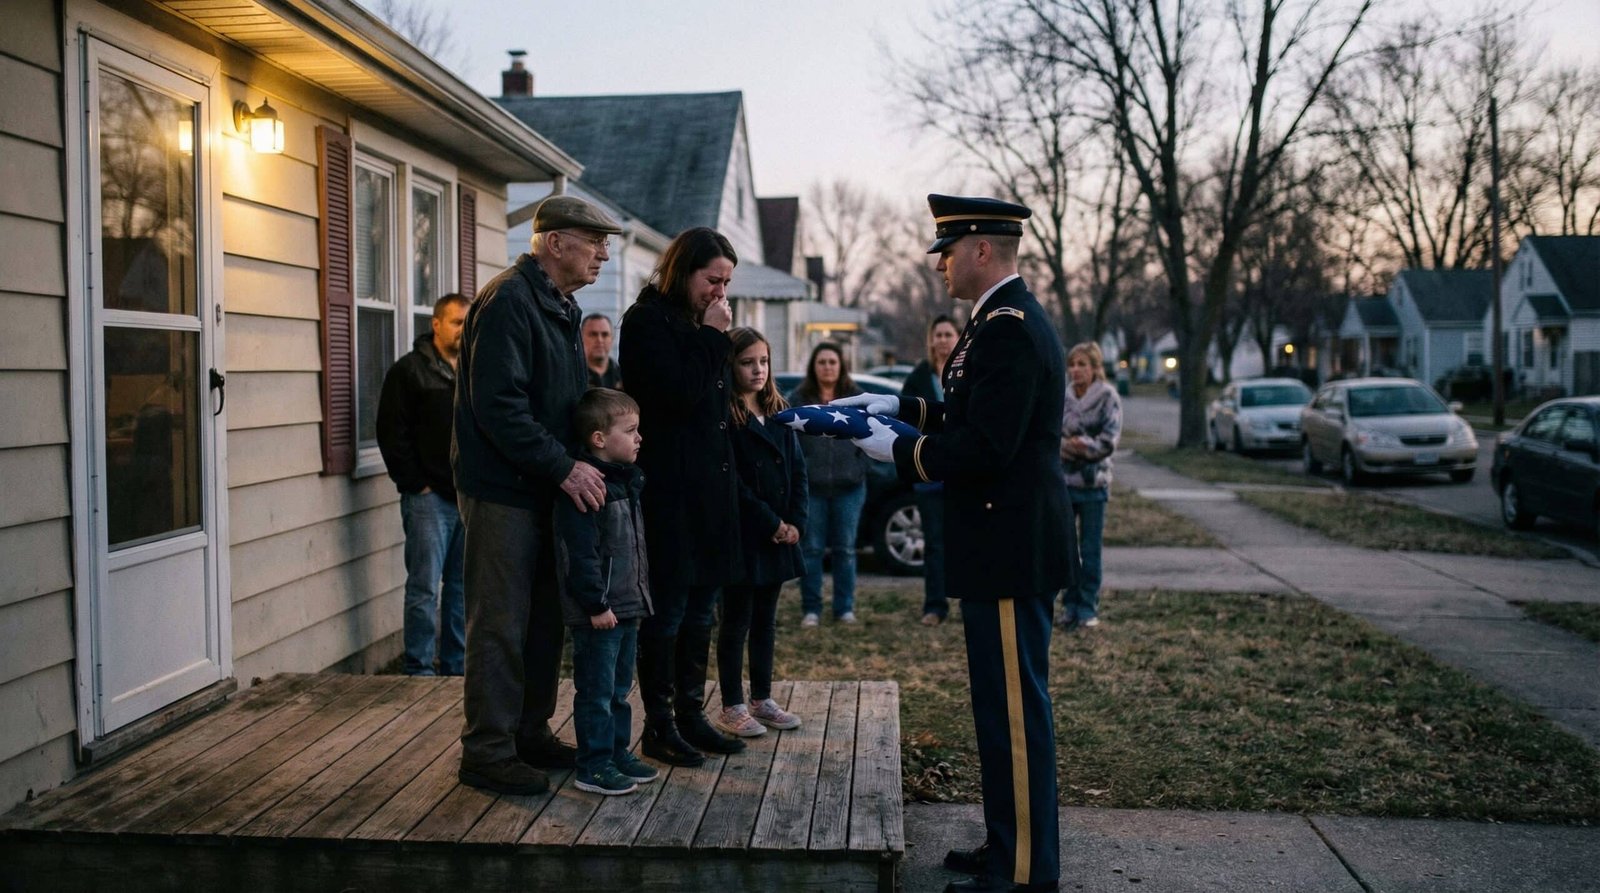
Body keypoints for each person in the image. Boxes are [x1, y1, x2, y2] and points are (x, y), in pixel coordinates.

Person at [836, 194, 1072, 893]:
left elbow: (987, 446)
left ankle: (1024, 870)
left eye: (946, 250)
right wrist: (900, 409)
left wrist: (902, 455)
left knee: (1016, 716)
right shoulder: (993, 324)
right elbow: (968, 411)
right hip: (1001, 544)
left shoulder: (1008, 327)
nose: (939, 264)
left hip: (1009, 547)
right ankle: (1008, 845)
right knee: (998, 711)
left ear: (980, 250)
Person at [451, 195, 620, 796]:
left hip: (544, 487)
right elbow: (499, 408)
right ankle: (488, 752)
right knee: (499, 623)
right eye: (593, 240)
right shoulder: (509, 301)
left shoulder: (561, 306)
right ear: (553, 242)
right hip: (504, 492)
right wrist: (565, 468)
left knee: (544, 619)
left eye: (605, 242)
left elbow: (563, 404)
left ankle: (529, 732)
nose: (603, 252)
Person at [619, 226, 747, 767]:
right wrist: (716, 340)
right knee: (667, 615)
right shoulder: (645, 321)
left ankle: (693, 715)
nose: (719, 293)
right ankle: (660, 725)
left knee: (702, 614)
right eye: (711, 280)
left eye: (726, 284)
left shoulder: (700, 324)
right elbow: (675, 397)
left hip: (711, 496)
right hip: (669, 494)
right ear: (683, 270)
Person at [553, 388, 660, 796]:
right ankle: (593, 765)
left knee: (618, 689)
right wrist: (596, 604)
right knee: (596, 692)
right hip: (600, 613)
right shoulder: (587, 489)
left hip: (626, 607)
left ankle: (617, 753)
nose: (639, 438)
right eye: (630, 431)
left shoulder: (626, 483)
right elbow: (580, 556)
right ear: (599, 438)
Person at [714, 327, 807, 738]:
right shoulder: (727, 416)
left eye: (763, 362)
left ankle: (762, 698)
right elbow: (732, 483)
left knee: (766, 621)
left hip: (781, 536)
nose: (757, 370)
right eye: (747, 362)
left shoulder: (780, 412)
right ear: (731, 365)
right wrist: (770, 523)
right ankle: (732, 704)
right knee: (736, 620)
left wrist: (795, 523)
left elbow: (798, 472)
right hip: (746, 535)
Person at [376, 293, 470, 676]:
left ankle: (455, 666)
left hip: (467, 496)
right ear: (436, 324)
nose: (464, 330)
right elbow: (390, 432)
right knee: (424, 588)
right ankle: (418, 668)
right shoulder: (409, 371)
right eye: (457, 322)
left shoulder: (474, 369)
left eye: (468, 322)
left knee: (461, 590)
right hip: (428, 500)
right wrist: (416, 483)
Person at [787, 342, 870, 627]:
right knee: (811, 550)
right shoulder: (799, 399)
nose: (827, 367)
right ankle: (812, 609)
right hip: (812, 489)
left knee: (845, 550)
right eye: (822, 362)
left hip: (850, 487)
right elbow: (790, 442)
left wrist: (860, 467)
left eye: (832, 362)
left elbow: (873, 435)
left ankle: (844, 608)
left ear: (841, 365)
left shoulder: (857, 398)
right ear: (814, 366)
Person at [901, 314, 960, 627]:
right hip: (930, 473)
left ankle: (970, 600)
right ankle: (935, 606)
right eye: (937, 334)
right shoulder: (919, 376)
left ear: (958, 337)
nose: (942, 340)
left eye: (948, 334)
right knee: (934, 544)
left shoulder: (970, 371)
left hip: (964, 472)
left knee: (966, 541)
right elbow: (907, 419)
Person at [1058, 341, 1121, 631]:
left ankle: (1087, 607)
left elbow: (1108, 441)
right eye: (1072, 364)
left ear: (1095, 368)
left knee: (1091, 549)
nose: (1076, 370)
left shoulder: (1108, 397)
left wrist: (1081, 446)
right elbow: (1052, 436)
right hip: (1065, 482)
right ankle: (1069, 605)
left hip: (1094, 483)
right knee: (1066, 550)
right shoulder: (1063, 396)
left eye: (1082, 364)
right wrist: (1066, 447)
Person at [581, 313, 623, 389]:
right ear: (581, 338)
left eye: (605, 334)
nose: (600, 340)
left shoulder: (624, 377)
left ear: (612, 339)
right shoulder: (573, 377)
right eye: (593, 334)